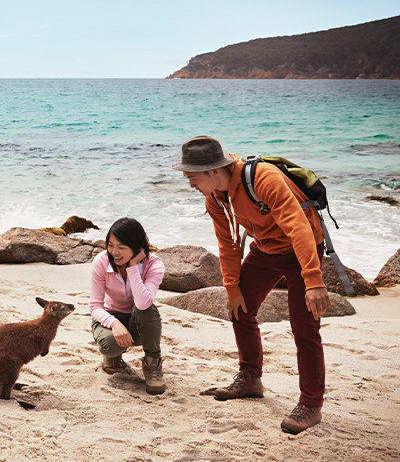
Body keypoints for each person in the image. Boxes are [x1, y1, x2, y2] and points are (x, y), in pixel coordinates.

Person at [172, 136, 330, 434]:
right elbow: (228, 243)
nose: (190, 184)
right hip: (265, 249)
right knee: (240, 308)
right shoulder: (216, 197)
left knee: (304, 327)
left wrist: (313, 279)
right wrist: (231, 288)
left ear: (213, 171)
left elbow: (298, 227)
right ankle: (251, 378)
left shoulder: (263, 179)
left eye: (192, 178)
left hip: (301, 249)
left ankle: (311, 404)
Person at [90, 217, 166, 395]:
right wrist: (115, 324)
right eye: (110, 245)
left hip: (139, 322)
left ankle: (153, 364)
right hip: (109, 320)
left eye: (121, 247)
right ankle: (113, 359)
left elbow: (142, 303)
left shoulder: (154, 264)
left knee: (147, 308)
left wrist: (132, 267)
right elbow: (95, 306)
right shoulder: (101, 261)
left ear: (138, 247)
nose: (114, 252)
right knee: (110, 344)